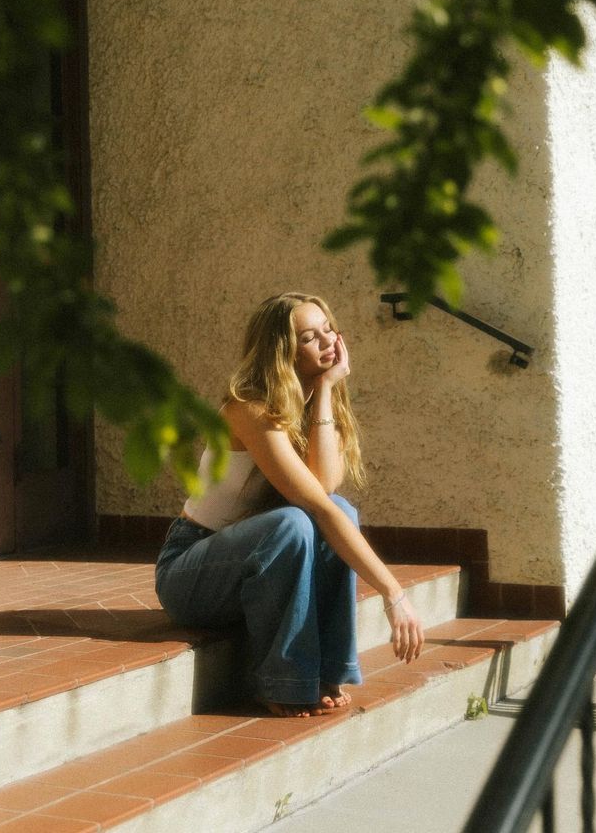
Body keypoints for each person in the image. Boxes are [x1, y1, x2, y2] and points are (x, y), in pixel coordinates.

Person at [155, 292, 424, 718]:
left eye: (327, 330)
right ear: (281, 350)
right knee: (294, 523)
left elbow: (324, 487)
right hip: (191, 572)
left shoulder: (317, 400)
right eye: (308, 337)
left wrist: (326, 390)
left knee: (339, 510)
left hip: (255, 563)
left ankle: (328, 671)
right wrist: (393, 592)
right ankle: (282, 680)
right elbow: (315, 507)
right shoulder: (248, 407)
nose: (326, 342)